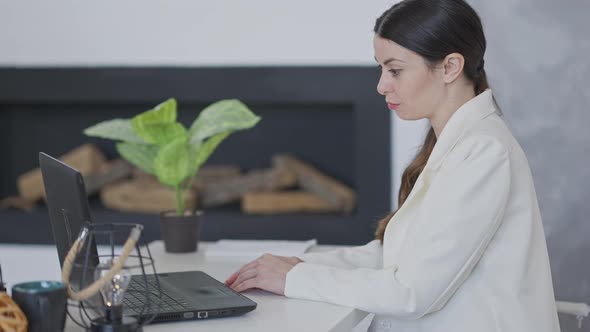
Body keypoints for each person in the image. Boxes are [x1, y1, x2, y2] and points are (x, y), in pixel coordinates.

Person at [224, 0, 561, 331]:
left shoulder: (484, 152)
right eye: (381, 68)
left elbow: (413, 292)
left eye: (395, 70)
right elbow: (392, 258)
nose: (381, 85)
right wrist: (298, 265)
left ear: (450, 67)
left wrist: (295, 278)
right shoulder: (455, 142)